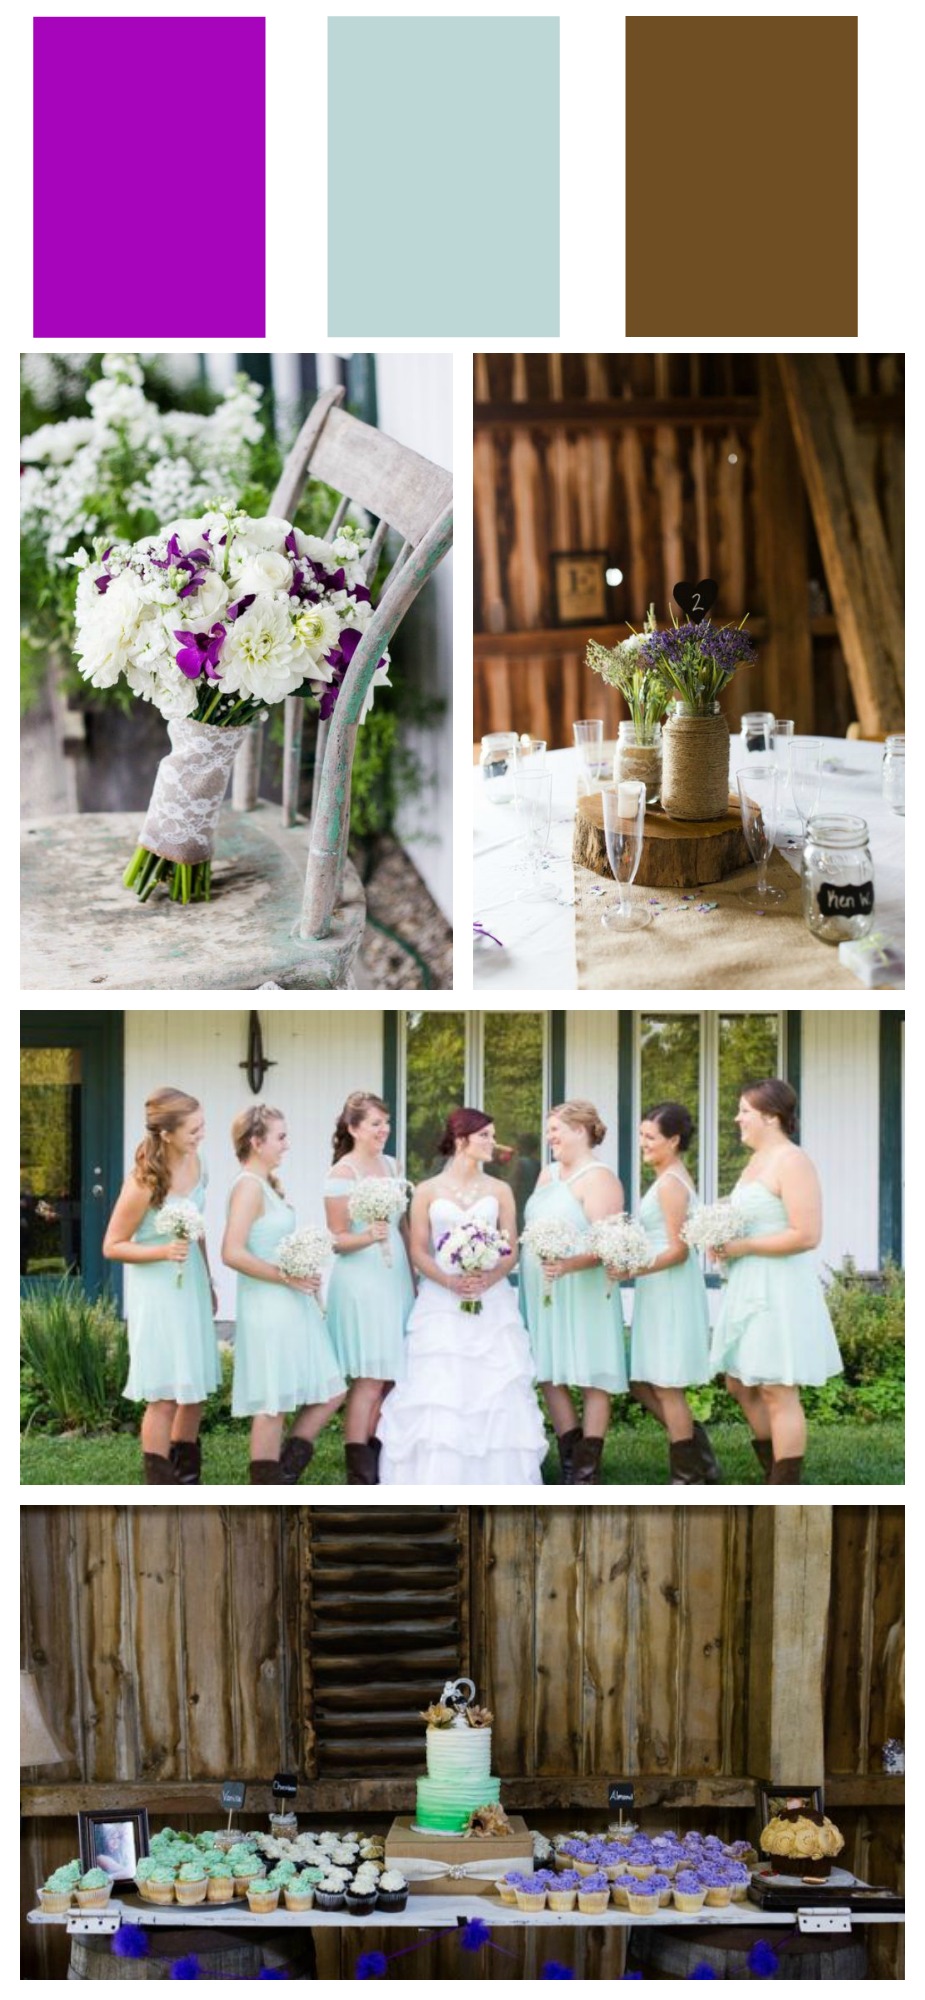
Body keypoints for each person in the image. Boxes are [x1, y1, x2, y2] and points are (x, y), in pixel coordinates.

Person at [377, 1109, 548, 1484]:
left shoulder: (500, 1190)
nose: (493, 1143)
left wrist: (487, 1278)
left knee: (495, 1382)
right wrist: (451, 1282)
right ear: (461, 1140)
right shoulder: (426, 1191)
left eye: (492, 1135)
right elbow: (419, 1250)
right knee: (442, 1384)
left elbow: (512, 1249)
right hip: (441, 1299)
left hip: (492, 1299)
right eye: (485, 1136)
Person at [709, 1079, 843, 1484]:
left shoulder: (792, 1160)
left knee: (776, 1387)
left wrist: (743, 1245)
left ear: (771, 1116)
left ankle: (784, 1484)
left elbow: (806, 1234)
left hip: (779, 1287)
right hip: (748, 1283)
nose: (737, 1119)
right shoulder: (755, 1163)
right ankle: (774, 1468)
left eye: (744, 1111)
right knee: (739, 1383)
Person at [222, 1105, 346, 1485]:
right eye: (280, 1137)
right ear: (256, 1142)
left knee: (332, 1390)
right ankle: (265, 1486)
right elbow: (232, 1252)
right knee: (272, 1402)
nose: (287, 1145)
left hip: (293, 1302)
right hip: (269, 1304)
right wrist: (285, 1276)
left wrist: (302, 1268)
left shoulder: (267, 1186)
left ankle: (285, 1472)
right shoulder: (247, 1187)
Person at [103, 1087, 218, 1485]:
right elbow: (112, 1245)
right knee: (165, 1393)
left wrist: (210, 1280)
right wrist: (162, 1252)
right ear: (166, 1133)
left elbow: (197, 1228)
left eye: (201, 1126)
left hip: (193, 1288)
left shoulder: (199, 1164)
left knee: (196, 1389)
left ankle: (188, 1478)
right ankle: (160, 1484)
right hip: (158, 1293)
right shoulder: (143, 1182)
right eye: (193, 1129)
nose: (201, 1134)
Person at [519, 1101, 627, 1484]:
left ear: (581, 1131)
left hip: (583, 1289)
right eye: (548, 1131)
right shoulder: (547, 1175)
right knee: (548, 1370)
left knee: (591, 1372)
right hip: (543, 1289)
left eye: (556, 1130)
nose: (550, 1138)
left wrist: (567, 1265)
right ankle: (570, 1453)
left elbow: (607, 1245)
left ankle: (586, 1469)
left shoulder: (600, 1179)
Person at [623, 1102, 719, 1485]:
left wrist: (630, 1267)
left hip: (671, 1290)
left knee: (665, 1385)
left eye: (650, 1137)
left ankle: (688, 1476)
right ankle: (700, 1455)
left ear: (674, 1140)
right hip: (656, 1288)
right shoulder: (668, 1176)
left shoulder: (670, 1184)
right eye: (642, 1135)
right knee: (641, 1381)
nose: (643, 1143)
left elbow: (679, 1250)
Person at [323, 1092, 414, 1484]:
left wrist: (413, 1275)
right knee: (369, 1377)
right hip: (362, 1281)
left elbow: (405, 1227)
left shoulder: (392, 1165)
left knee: (392, 1376)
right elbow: (336, 1239)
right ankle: (359, 1475)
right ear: (353, 1128)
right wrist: (370, 1236)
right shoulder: (342, 1174)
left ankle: (381, 1459)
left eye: (386, 1122)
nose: (384, 1130)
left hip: (396, 1282)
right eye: (376, 1123)